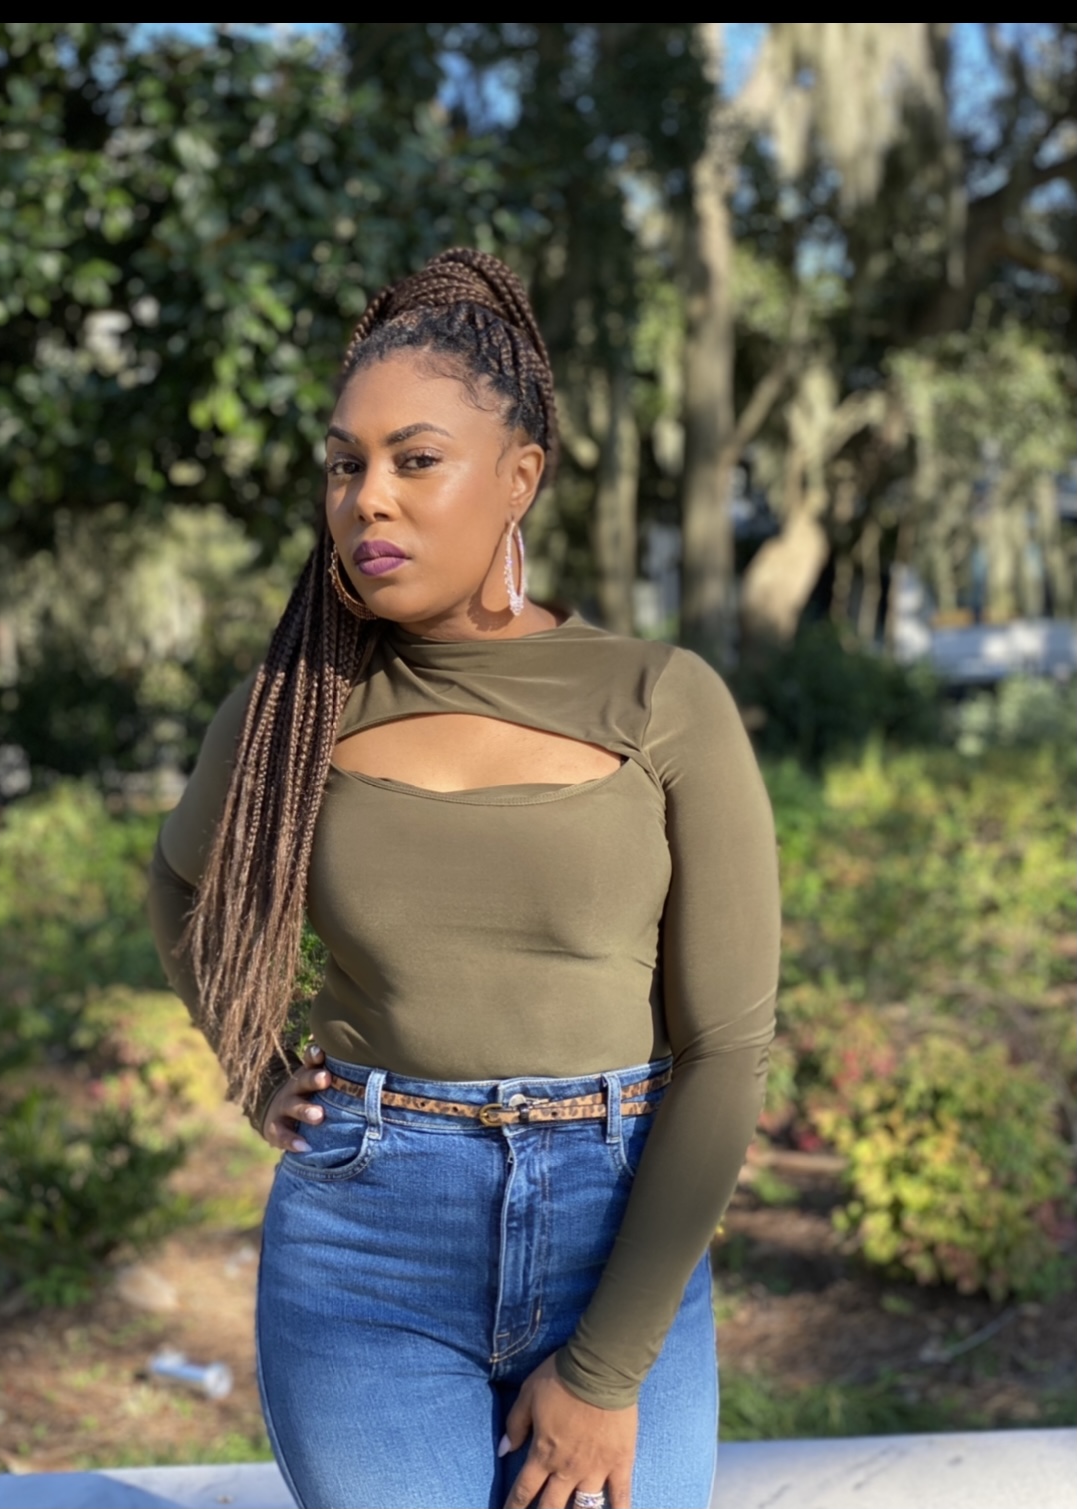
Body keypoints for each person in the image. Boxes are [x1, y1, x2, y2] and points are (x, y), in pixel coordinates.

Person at [148, 247, 779, 1509]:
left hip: (618, 1237)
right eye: (345, 465)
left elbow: (726, 1048)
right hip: (364, 1252)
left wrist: (604, 1373)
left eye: (415, 459)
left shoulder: (659, 698)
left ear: (518, 478)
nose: (368, 499)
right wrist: (255, 1068)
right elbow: (181, 888)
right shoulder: (294, 709)